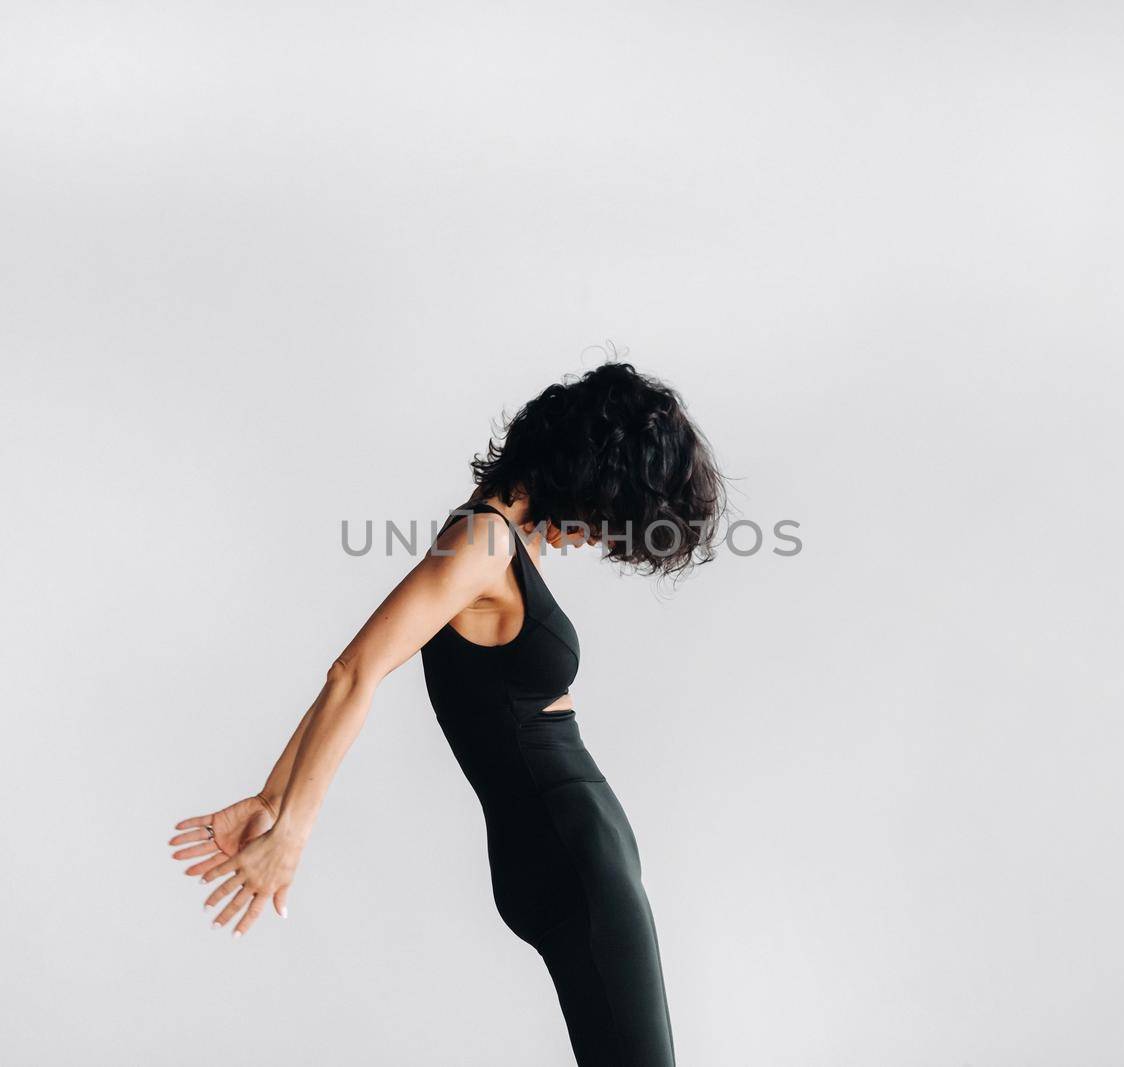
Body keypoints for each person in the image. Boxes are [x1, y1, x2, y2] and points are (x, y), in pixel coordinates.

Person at [166, 361, 727, 1065]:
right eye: (612, 513)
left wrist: (276, 798)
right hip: (573, 853)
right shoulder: (485, 543)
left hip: (559, 847)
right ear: (589, 469)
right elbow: (353, 671)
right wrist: (293, 832)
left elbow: (354, 672)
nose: (605, 538)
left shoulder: (501, 535)